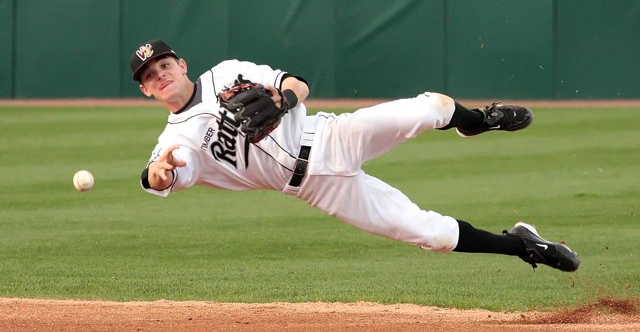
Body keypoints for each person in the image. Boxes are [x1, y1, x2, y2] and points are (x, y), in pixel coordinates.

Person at [131, 39, 580, 272]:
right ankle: (524, 245)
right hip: (318, 190)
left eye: (164, 65)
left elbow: (299, 83)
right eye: (150, 75)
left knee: (428, 109)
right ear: (146, 90)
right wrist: (160, 171)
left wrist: (285, 101)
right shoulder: (177, 139)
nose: (161, 74)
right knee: (431, 234)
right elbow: (157, 178)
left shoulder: (228, 72)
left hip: (330, 136)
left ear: (181, 64)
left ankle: (475, 121)